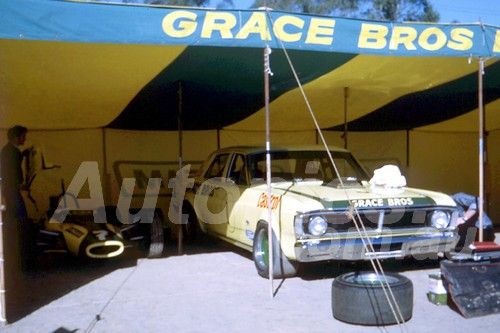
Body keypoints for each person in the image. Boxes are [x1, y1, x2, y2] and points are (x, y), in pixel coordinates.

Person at [1, 125, 36, 271]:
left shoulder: (9, 151)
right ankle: (22, 255)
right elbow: (10, 171)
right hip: (11, 190)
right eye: (23, 136)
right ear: (17, 137)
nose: (25, 139)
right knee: (20, 220)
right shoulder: (11, 152)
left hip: (10, 190)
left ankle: (15, 253)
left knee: (14, 220)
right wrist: (18, 184)